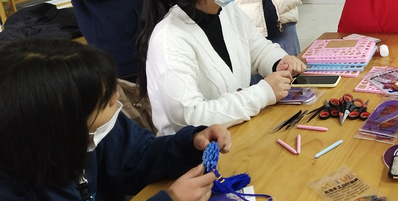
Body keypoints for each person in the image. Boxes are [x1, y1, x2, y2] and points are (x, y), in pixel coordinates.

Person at [0, 38, 232, 201]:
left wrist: (191, 143)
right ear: (63, 122)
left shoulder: (101, 129)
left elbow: (142, 157)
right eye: (105, 99)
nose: (118, 96)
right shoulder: (12, 185)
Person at [138, 0, 306, 136]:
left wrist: (279, 61)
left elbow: (257, 48)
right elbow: (188, 117)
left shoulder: (226, 10)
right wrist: (262, 93)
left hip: (238, 131)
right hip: (197, 149)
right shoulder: (169, 39)